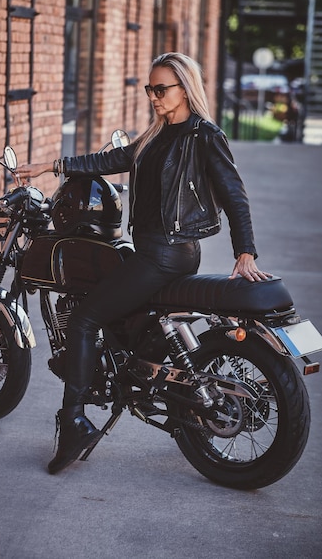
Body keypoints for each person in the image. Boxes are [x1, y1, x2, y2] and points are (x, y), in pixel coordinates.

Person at [17, 52, 271, 475]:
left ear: (185, 88)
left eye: (162, 89)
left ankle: (75, 421)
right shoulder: (156, 136)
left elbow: (234, 195)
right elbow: (108, 161)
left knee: (83, 319)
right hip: (154, 251)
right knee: (118, 304)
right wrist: (54, 165)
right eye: (149, 89)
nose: (154, 97)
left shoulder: (202, 136)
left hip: (166, 255)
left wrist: (245, 251)